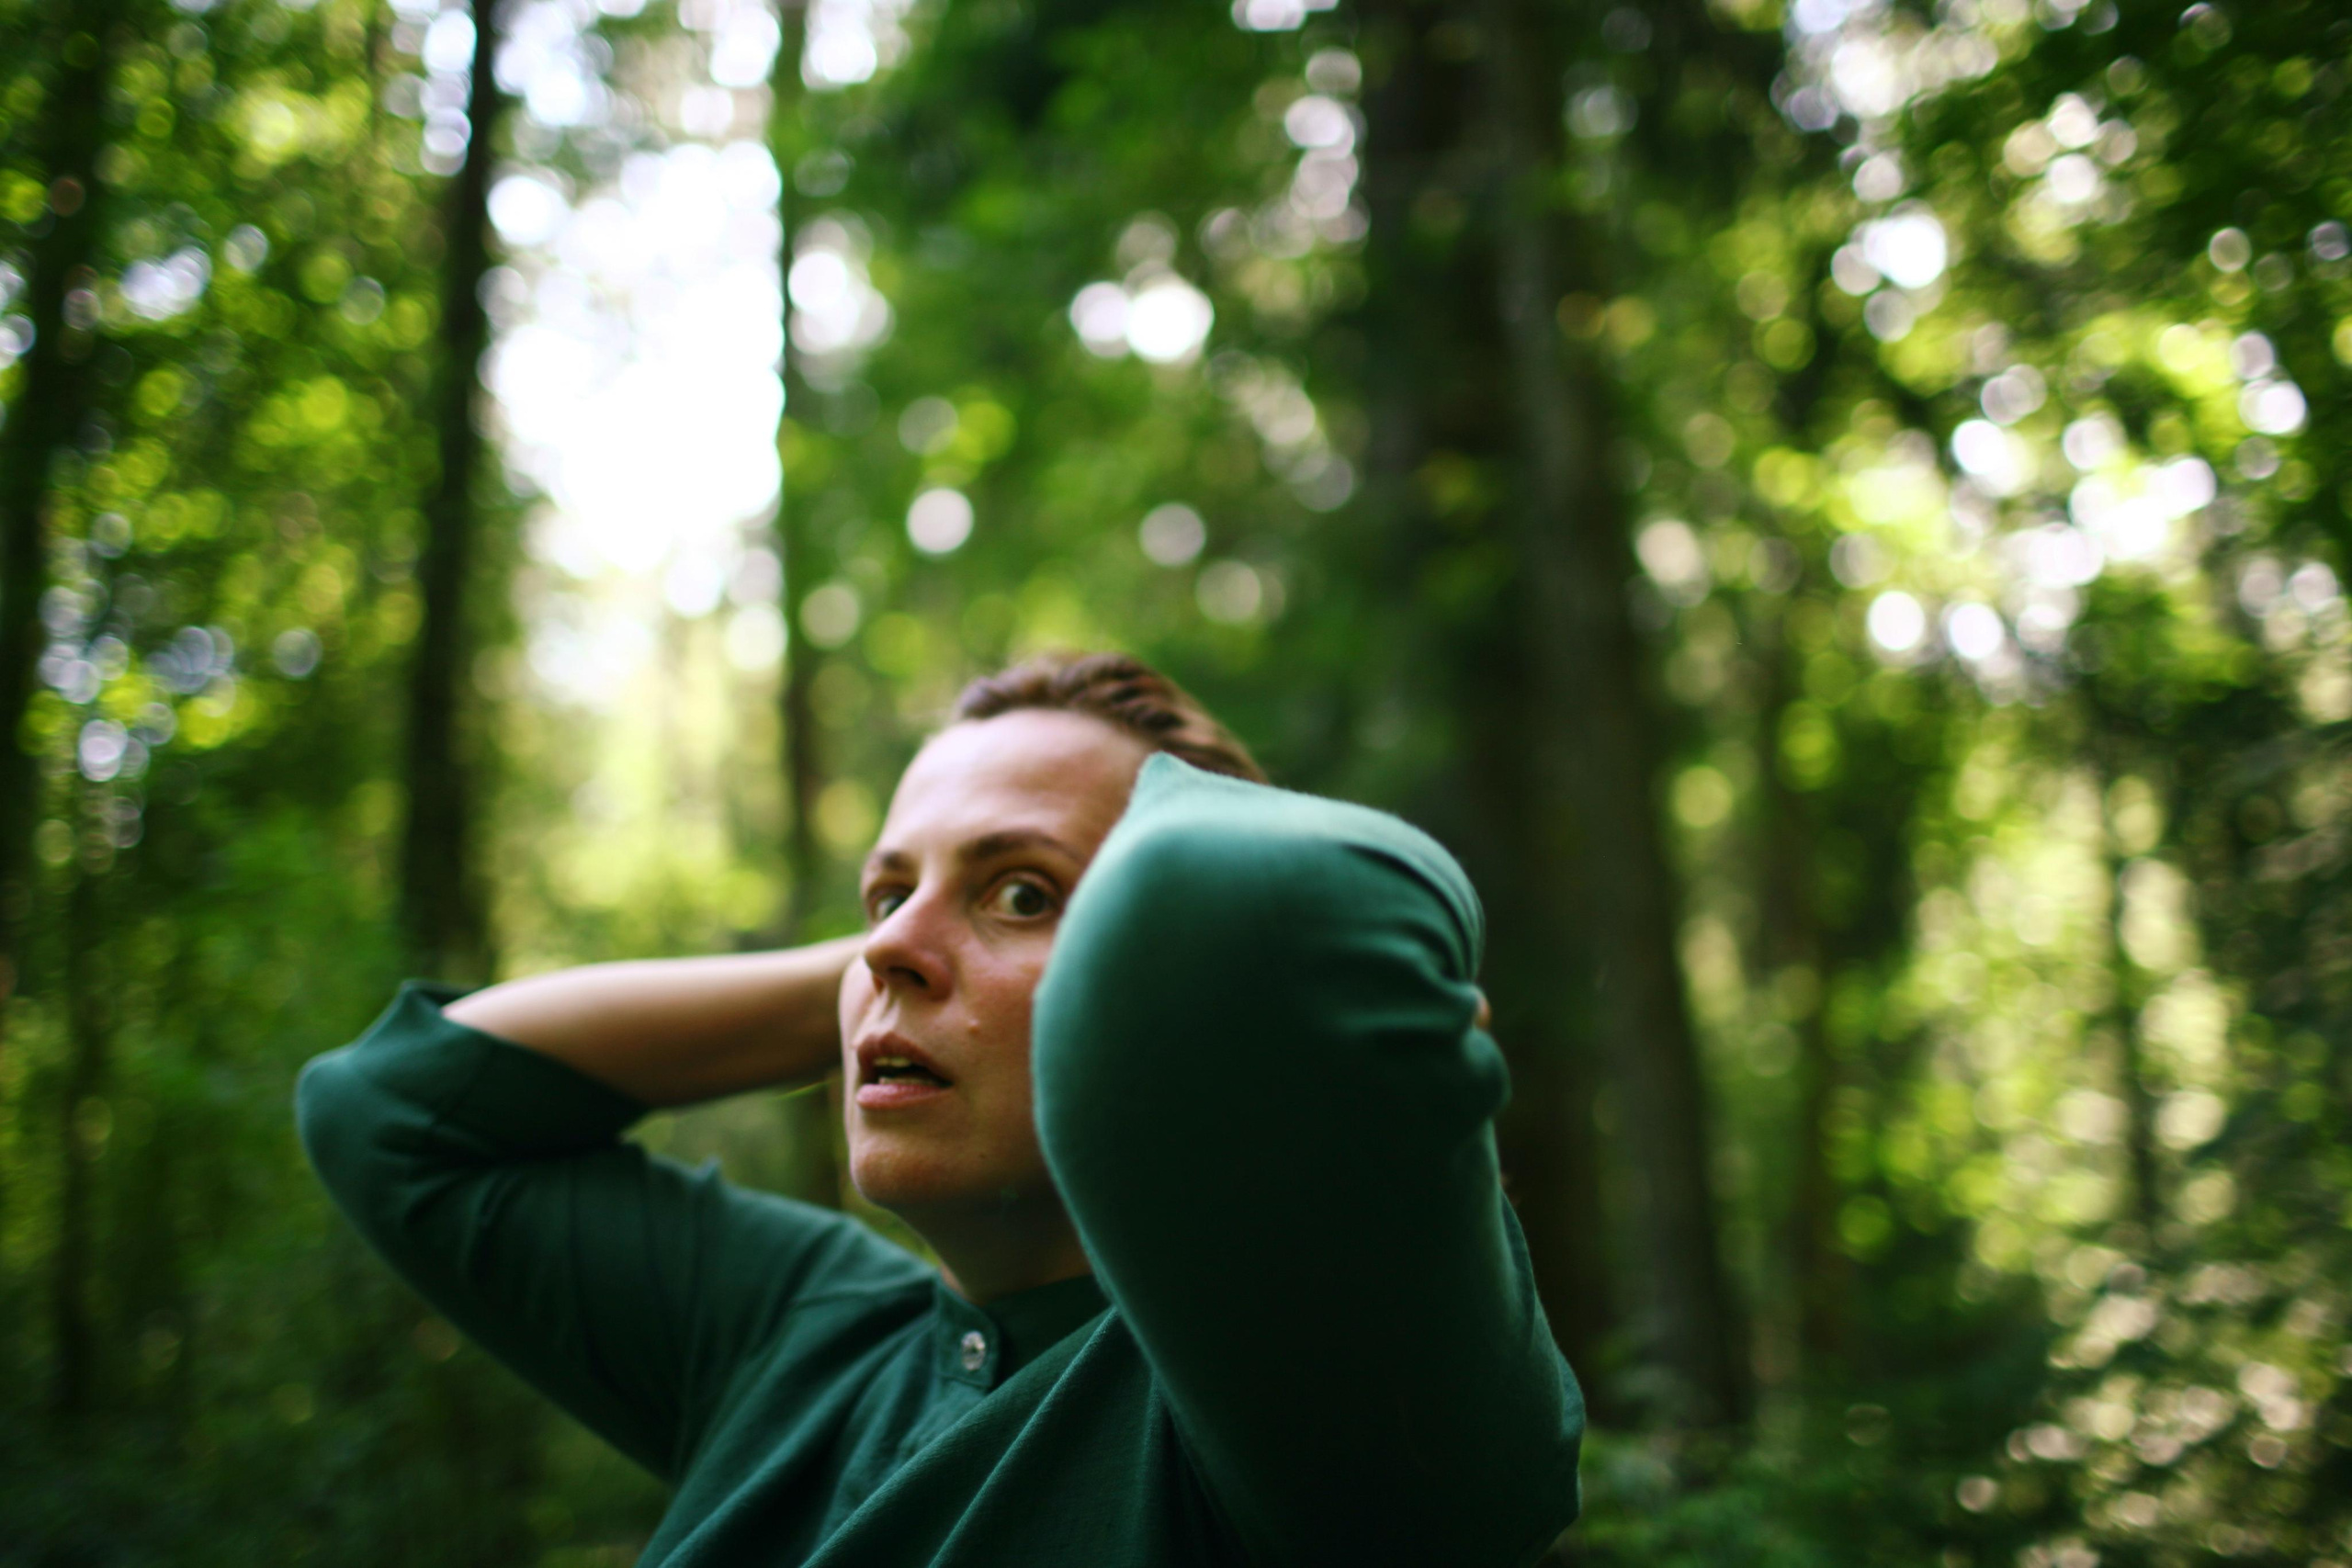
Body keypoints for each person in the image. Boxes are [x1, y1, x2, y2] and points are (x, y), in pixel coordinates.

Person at [298, 650, 1585, 1566]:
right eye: (880, 895)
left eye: (1025, 892)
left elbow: (1233, 892)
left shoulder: (1306, 1389)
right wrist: (898, 963)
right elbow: (391, 1110)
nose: (889, 951)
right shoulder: (796, 1334)